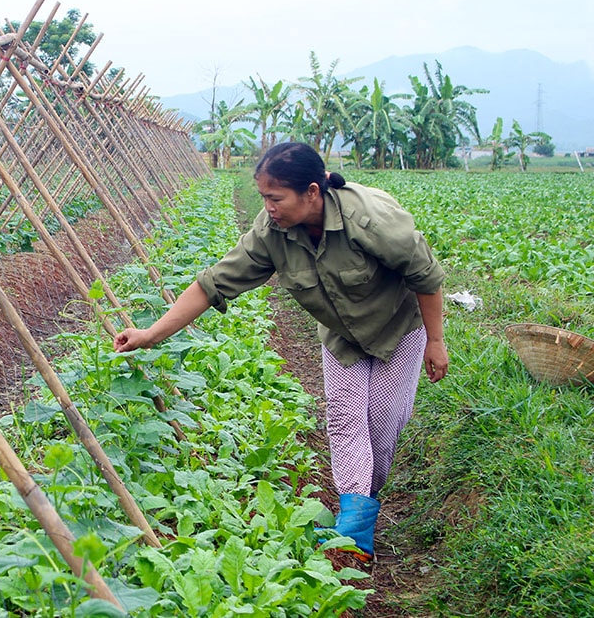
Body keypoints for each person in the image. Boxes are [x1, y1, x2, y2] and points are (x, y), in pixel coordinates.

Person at [113, 141, 449, 561]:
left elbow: (425, 275)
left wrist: (435, 341)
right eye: (263, 197)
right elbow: (212, 284)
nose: (268, 207)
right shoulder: (272, 233)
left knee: (382, 425)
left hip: (397, 328)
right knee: (346, 418)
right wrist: (150, 334)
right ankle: (354, 529)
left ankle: (365, 500)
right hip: (341, 336)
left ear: (312, 192)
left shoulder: (371, 220)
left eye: (275, 198)